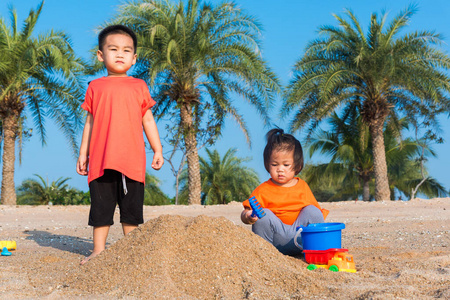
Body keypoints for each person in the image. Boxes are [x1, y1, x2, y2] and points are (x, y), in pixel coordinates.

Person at [76, 24, 163, 265]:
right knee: (101, 208)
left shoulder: (139, 86)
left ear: (134, 58)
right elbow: (90, 123)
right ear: (100, 55)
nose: (120, 54)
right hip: (101, 160)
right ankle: (98, 250)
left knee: (131, 211)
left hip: (131, 161)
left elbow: (148, 119)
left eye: (126, 50)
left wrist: (158, 149)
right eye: (113, 49)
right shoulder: (95, 87)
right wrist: (83, 154)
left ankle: (131, 253)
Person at [241, 128, 328, 256]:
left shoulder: (302, 186)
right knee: (263, 215)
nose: (280, 170)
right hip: (274, 240)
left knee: (312, 210)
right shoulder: (263, 189)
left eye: (286, 165)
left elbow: (315, 216)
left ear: (297, 166)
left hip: (300, 237)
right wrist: (248, 216)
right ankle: (264, 254)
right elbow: (245, 212)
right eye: (275, 165)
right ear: (267, 165)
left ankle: (317, 250)